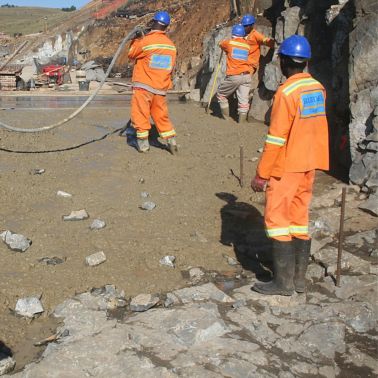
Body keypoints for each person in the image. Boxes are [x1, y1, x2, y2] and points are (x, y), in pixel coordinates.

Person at [251, 35, 329, 296]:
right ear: (305, 62)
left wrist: (262, 174)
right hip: (311, 163)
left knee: (278, 220)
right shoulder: (317, 88)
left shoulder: (286, 93)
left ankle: (282, 283)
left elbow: (276, 138)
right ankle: (299, 280)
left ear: (283, 61)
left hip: (287, 165)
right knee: (299, 218)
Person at [128, 11, 178, 154]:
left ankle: (143, 145)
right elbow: (170, 68)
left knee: (141, 115)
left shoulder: (146, 42)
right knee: (161, 117)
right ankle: (172, 143)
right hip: (160, 88)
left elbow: (131, 53)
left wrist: (136, 38)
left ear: (153, 23)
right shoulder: (171, 46)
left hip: (144, 87)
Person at [216, 24, 255, 123]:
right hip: (247, 76)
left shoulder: (229, 43)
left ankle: (226, 119)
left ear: (233, 34)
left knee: (221, 94)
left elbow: (220, 44)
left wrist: (224, 44)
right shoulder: (247, 46)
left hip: (235, 75)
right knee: (243, 100)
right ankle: (241, 123)